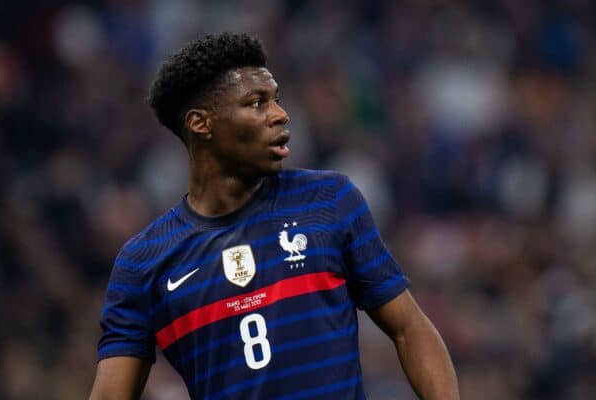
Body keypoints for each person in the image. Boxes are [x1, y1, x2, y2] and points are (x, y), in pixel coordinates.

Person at [89, 32, 459, 400]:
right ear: (202, 124)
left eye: (276, 100)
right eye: (256, 103)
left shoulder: (329, 201)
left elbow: (409, 328)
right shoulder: (144, 263)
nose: (280, 115)